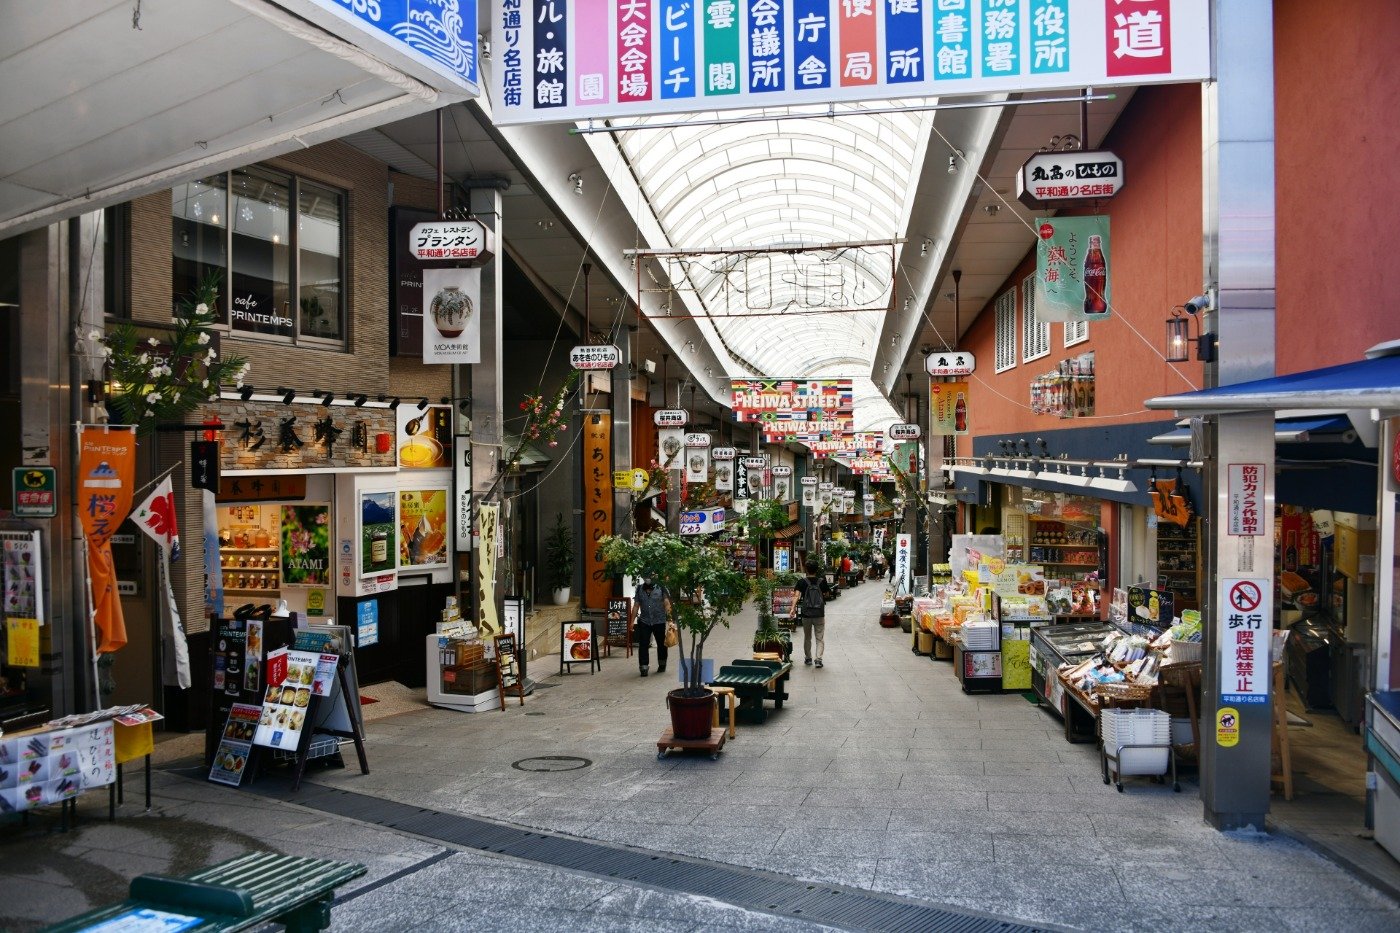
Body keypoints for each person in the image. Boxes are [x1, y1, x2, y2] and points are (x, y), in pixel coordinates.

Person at [630, 575, 672, 677]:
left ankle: (662, 663)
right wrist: (631, 622)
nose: (647, 578)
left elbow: (667, 603)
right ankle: (643, 667)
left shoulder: (661, 587)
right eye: (646, 576)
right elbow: (636, 606)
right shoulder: (639, 589)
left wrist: (670, 619)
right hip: (645, 621)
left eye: (650, 576)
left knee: (661, 644)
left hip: (659, 620)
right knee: (643, 644)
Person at [794, 559, 833, 668]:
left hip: (806, 614)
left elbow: (796, 596)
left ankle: (808, 658)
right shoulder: (822, 581)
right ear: (817, 569)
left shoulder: (802, 582)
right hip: (819, 614)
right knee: (819, 637)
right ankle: (818, 659)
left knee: (807, 637)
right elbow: (827, 595)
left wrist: (792, 608)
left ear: (806, 569)